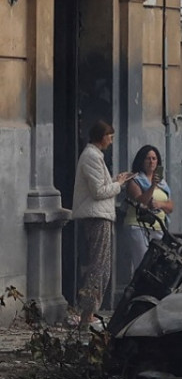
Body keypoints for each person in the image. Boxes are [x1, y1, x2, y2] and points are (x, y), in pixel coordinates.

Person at [71, 121, 133, 330]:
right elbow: (98, 192)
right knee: (98, 266)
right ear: (101, 136)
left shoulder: (95, 156)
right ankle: (86, 313)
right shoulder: (91, 156)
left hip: (101, 214)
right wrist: (119, 185)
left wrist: (116, 180)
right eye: (110, 136)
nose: (111, 140)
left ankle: (89, 311)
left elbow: (100, 187)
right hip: (97, 215)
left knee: (103, 265)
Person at [121, 144, 174, 283]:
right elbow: (142, 202)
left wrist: (160, 204)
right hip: (138, 226)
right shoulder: (135, 180)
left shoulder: (163, 183)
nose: (151, 162)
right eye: (148, 158)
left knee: (157, 266)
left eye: (154, 159)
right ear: (141, 161)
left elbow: (170, 206)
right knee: (142, 263)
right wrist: (152, 187)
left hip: (158, 228)